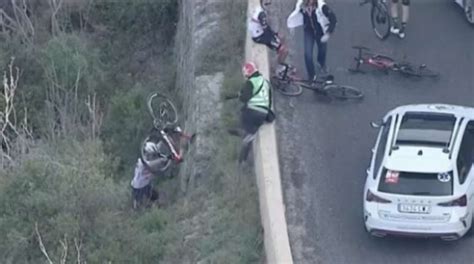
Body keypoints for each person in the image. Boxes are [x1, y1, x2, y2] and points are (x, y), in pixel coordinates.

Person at [227, 62, 275, 163]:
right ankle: (245, 134)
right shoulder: (266, 82)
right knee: (250, 130)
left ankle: (242, 158)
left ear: (247, 73)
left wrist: (240, 95)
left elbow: (244, 98)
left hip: (251, 112)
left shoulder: (250, 83)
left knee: (244, 113)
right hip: (263, 114)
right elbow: (270, 100)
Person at [287, 0, 337, 81]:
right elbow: (296, 13)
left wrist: (328, 33)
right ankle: (311, 75)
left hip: (320, 31)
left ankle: (321, 63)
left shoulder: (321, 6)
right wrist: (291, 25)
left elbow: (333, 19)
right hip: (308, 31)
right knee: (307, 54)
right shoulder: (302, 5)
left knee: (322, 50)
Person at [248, 0, 293, 78]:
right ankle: (278, 69)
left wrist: (275, 34)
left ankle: (280, 64)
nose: (269, 3)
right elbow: (266, 31)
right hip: (259, 36)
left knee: (282, 40)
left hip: (260, 33)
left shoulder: (260, 9)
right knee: (283, 49)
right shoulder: (261, 14)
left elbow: (266, 27)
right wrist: (275, 38)